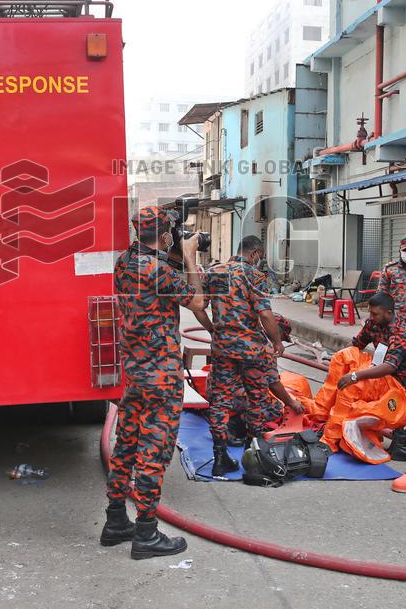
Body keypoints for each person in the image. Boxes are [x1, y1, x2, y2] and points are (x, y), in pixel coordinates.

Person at [102, 206, 213, 559]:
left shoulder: (124, 263)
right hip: (161, 376)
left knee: (127, 445)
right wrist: (192, 257)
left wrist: (175, 253)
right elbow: (198, 301)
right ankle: (146, 533)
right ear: (165, 235)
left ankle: (116, 520)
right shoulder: (159, 270)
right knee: (154, 451)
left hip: (134, 373)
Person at [202, 236, 300, 477]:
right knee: (257, 399)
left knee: (220, 401)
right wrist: (277, 342)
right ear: (255, 253)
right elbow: (265, 314)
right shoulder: (254, 275)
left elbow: (197, 305)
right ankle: (253, 454)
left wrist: (212, 329)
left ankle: (219, 457)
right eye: (261, 255)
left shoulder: (215, 272)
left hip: (223, 348)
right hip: (251, 351)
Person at [338, 292, 406, 462]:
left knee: (354, 387)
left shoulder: (401, 332)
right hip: (379, 373)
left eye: (375, 314)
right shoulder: (373, 324)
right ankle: (341, 430)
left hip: (399, 381)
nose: (371, 317)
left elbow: (390, 367)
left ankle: (357, 431)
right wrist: (340, 360)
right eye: (370, 313)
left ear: (389, 313)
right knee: (343, 383)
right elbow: (355, 345)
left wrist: (354, 376)